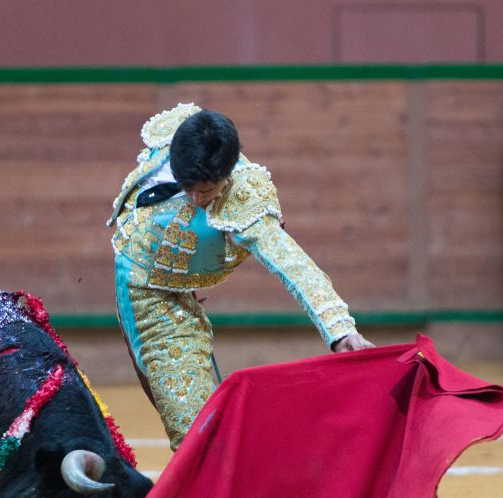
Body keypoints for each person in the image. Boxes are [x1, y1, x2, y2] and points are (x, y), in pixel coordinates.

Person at [108, 103, 374, 449]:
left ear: (227, 175)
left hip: (160, 306)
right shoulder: (179, 133)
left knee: (195, 436)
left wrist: (340, 330)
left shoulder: (246, 202)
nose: (195, 198)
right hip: (137, 285)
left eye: (206, 191)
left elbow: (295, 265)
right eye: (187, 186)